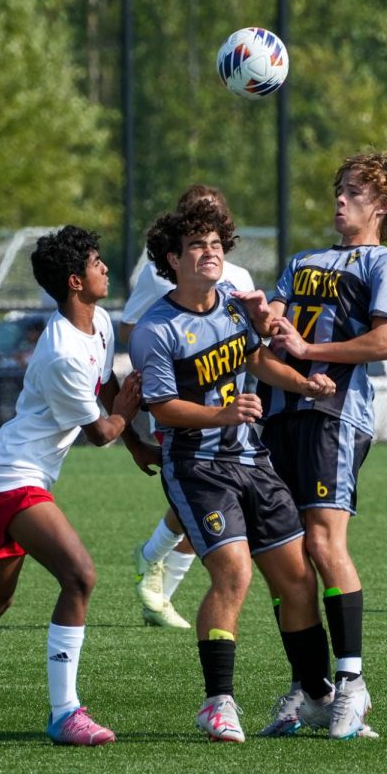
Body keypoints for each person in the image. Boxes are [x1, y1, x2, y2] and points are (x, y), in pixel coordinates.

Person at [0, 226, 158, 745]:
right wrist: (127, 421)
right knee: (80, 576)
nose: (104, 267)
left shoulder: (100, 322)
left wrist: (137, 444)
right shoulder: (60, 350)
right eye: (95, 262)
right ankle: (66, 714)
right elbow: (100, 431)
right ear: (74, 282)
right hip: (10, 475)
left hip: (12, 471)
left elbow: (103, 384)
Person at [129, 200, 338, 742]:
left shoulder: (233, 306)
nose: (210, 253)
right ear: (171, 259)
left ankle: (317, 695)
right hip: (198, 467)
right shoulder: (156, 329)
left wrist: (303, 382)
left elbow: (255, 360)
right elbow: (162, 407)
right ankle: (217, 702)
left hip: (254, 460)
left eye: (216, 245)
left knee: (297, 578)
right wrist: (223, 413)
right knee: (235, 574)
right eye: (197, 246)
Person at [233, 151, 387, 739]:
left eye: (355, 192)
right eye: (339, 189)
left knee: (320, 540)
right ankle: (311, 689)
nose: (340, 199)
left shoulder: (386, 265)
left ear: (382, 205)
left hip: (334, 416)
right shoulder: (303, 260)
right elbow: (275, 329)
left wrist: (310, 352)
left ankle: (353, 686)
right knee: (285, 559)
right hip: (281, 414)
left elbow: (386, 341)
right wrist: (263, 317)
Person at [123, 185, 255, 631]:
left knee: (204, 509)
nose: (207, 241)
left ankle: (156, 583)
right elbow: (133, 327)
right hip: (185, 409)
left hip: (236, 419)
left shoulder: (237, 276)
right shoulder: (160, 273)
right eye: (196, 225)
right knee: (196, 498)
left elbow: (252, 340)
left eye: (215, 223)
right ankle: (154, 573)